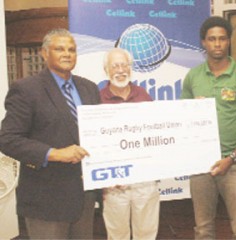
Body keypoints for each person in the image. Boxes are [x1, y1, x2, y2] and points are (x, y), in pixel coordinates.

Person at [0, 28, 100, 239]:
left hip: (84, 197)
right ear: (44, 53)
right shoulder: (26, 89)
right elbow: (7, 139)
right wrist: (53, 153)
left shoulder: (89, 88)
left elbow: (99, 136)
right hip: (46, 200)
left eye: (72, 49)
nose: (67, 54)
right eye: (59, 49)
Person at [180, 16, 236, 239]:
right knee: (203, 229)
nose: (217, 44)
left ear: (229, 42)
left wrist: (232, 158)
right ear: (203, 43)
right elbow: (182, 119)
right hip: (201, 166)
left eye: (222, 39)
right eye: (212, 39)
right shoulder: (193, 77)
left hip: (234, 164)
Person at [100, 48, 160, 240]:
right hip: (114, 183)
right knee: (117, 235)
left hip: (144, 179)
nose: (120, 70)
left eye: (124, 64)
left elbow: (157, 133)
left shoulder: (143, 95)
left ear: (131, 68)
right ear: (106, 70)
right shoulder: (97, 99)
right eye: (115, 65)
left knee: (147, 233)